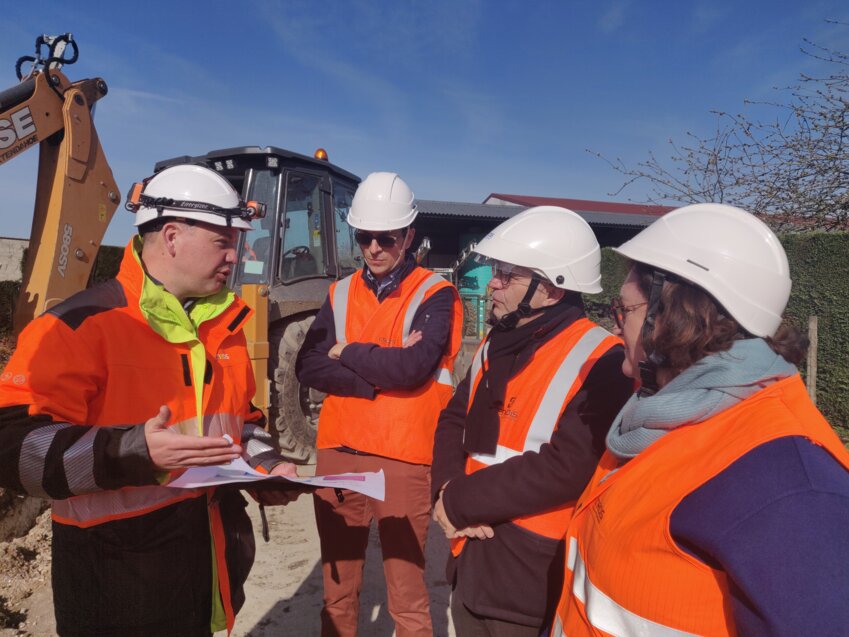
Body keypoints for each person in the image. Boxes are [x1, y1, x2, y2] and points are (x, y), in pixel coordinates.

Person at [0, 164, 299, 637]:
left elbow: (240, 422)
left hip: (199, 571)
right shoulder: (79, 325)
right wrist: (130, 451)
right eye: (223, 242)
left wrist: (268, 467)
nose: (234, 256)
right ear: (173, 237)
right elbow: (12, 449)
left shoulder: (225, 327)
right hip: (114, 588)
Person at [552, 203, 849, 636]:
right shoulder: (657, 417)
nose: (616, 328)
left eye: (624, 310)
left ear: (671, 316)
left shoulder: (789, 488)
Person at [431, 206, 633, 635]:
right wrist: (445, 490)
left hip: (530, 582)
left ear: (553, 291)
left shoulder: (604, 360)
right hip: (468, 558)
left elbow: (566, 467)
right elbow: (453, 420)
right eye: (497, 271)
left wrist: (460, 502)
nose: (494, 285)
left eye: (509, 275)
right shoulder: (496, 341)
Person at [296, 171, 463, 637]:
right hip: (339, 447)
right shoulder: (340, 292)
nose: (374, 248)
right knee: (337, 591)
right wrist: (376, 378)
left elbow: (413, 369)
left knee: (406, 598)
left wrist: (347, 351)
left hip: (404, 456)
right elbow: (307, 366)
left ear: (409, 235)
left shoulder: (436, 294)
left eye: (385, 238)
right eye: (364, 237)